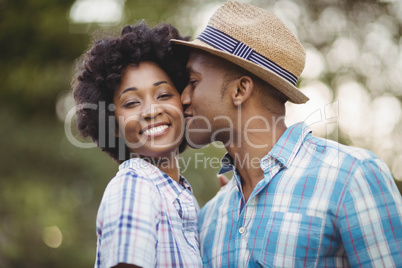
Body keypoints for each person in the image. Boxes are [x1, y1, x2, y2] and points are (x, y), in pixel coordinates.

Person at [172, 1, 402, 267]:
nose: (182, 98)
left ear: (240, 90)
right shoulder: (210, 216)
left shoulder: (353, 176)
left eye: (192, 82)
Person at [72, 22, 202, 268]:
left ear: (184, 102)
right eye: (132, 103)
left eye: (163, 95)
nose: (152, 110)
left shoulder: (186, 200)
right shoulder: (135, 186)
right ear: (113, 127)